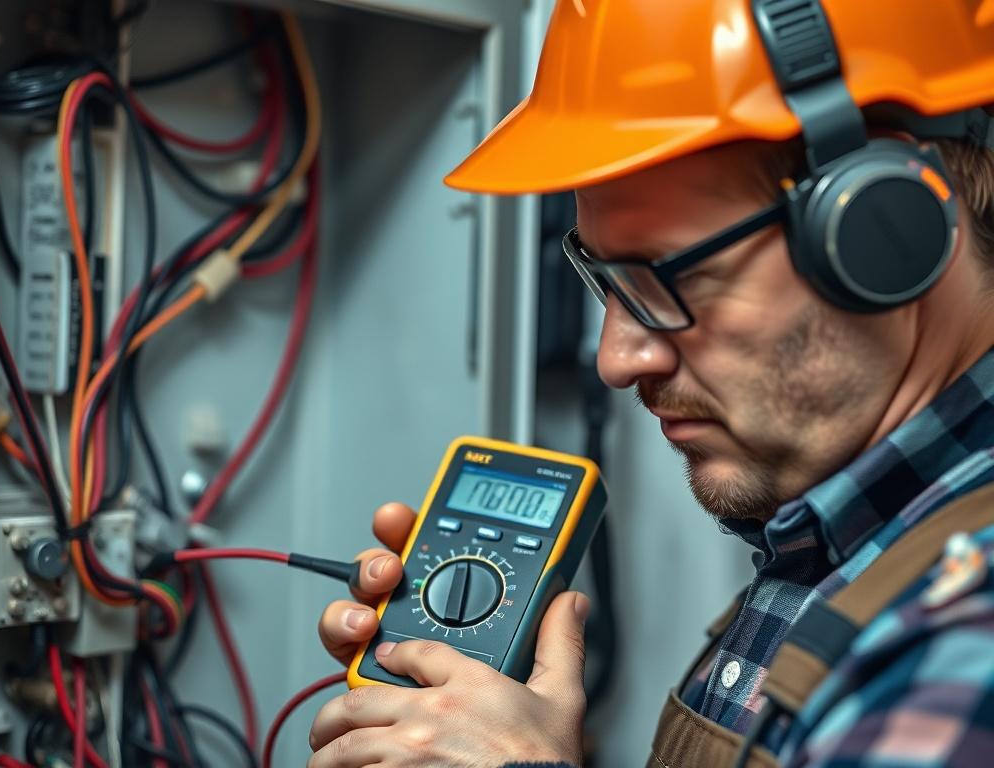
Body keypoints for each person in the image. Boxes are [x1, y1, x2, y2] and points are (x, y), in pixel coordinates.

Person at [307, 0, 994, 765]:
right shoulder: (831, 547)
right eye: (608, 280)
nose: (617, 358)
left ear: (885, 226)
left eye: (674, 275)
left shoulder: (966, 643)